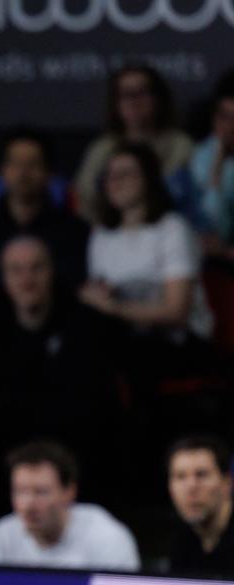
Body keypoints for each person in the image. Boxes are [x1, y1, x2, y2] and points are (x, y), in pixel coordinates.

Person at [0, 236, 115, 507]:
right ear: (3, 277)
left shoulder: (84, 322)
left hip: (72, 453)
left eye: (36, 268)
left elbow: (93, 403)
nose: (27, 279)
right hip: (6, 456)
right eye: (16, 270)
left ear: (52, 271)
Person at [80, 143, 215, 397]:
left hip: (178, 341)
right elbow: (99, 296)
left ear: (148, 179)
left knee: (120, 356)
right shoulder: (101, 236)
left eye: (125, 174)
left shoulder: (172, 228)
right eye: (109, 175)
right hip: (123, 337)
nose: (114, 181)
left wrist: (114, 308)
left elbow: (177, 311)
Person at [0, 128, 88, 306]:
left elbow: (74, 291)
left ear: (49, 173)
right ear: (3, 171)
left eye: (33, 164)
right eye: (15, 164)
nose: (23, 173)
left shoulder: (74, 232)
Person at [0, 441, 139, 571]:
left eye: (41, 492)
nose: (29, 504)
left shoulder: (107, 537)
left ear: (69, 492)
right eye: (20, 491)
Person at [73, 64, 193, 221]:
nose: (133, 101)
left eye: (142, 92)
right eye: (125, 94)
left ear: (158, 98)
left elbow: (188, 198)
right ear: (115, 103)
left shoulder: (181, 145)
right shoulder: (101, 148)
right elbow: (84, 197)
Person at [161, 435, 234, 577]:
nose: (191, 487)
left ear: (227, 483)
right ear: (170, 487)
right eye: (180, 476)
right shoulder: (181, 543)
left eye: (201, 475)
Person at [189, 76, 234, 260]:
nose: (232, 126)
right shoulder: (201, 157)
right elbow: (213, 224)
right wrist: (218, 163)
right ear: (215, 119)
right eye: (226, 117)